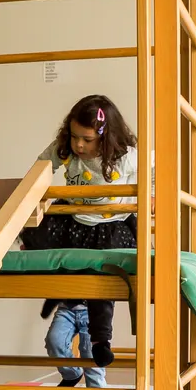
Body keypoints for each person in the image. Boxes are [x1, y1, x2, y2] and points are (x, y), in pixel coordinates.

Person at [22, 94, 142, 369]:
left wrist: (151, 199)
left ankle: (101, 339)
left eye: (87, 140)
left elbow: (156, 170)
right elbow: (39, 169)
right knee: (33, 231)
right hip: (74, 220)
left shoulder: (124, 156)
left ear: (105, 137)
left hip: (110, 226)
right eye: (75, 136)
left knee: (101, 269)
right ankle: (61, 292)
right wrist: (31, 193)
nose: (78, 144)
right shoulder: (65, 147)